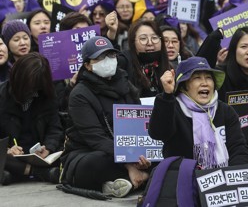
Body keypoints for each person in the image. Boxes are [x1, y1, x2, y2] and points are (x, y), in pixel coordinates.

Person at [61, 36, 148, 197]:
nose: (108, 61)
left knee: (161, 152)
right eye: (100, 58)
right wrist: (129, 163)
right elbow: (96, 139)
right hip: (89, 152)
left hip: (129, 148)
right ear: (87, 65)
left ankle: (116, 183)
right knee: (98, 161)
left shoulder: (125, 83)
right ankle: (133, 177)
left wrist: (141, 154)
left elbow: (139, 122)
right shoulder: (80, 94)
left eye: (111, 56)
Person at [148, 56, 248, 169]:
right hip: (183, 178)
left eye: (208, 77)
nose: (204, 83)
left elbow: (238, 149)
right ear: (184, 86)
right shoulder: (173, 107)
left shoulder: (225, 111)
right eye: (197, 78)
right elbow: (158, 133)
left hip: (224, 180)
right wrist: (167, 95)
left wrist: (235, 177)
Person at [0, 53, 63, 185]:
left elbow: (55, 128)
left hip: (37, 154)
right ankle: (37, 172)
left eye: (35, 88)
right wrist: (7, 149)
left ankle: (16, 173)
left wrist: (49, 147)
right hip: (12, 153)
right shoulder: (3, 96)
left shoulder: (46, 95)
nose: (32, 92)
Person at [117, 20, 171, 97]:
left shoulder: (169, 69)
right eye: (143, 38)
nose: (150, 43)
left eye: (154, 38)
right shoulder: (124, 63)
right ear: (133, 43)